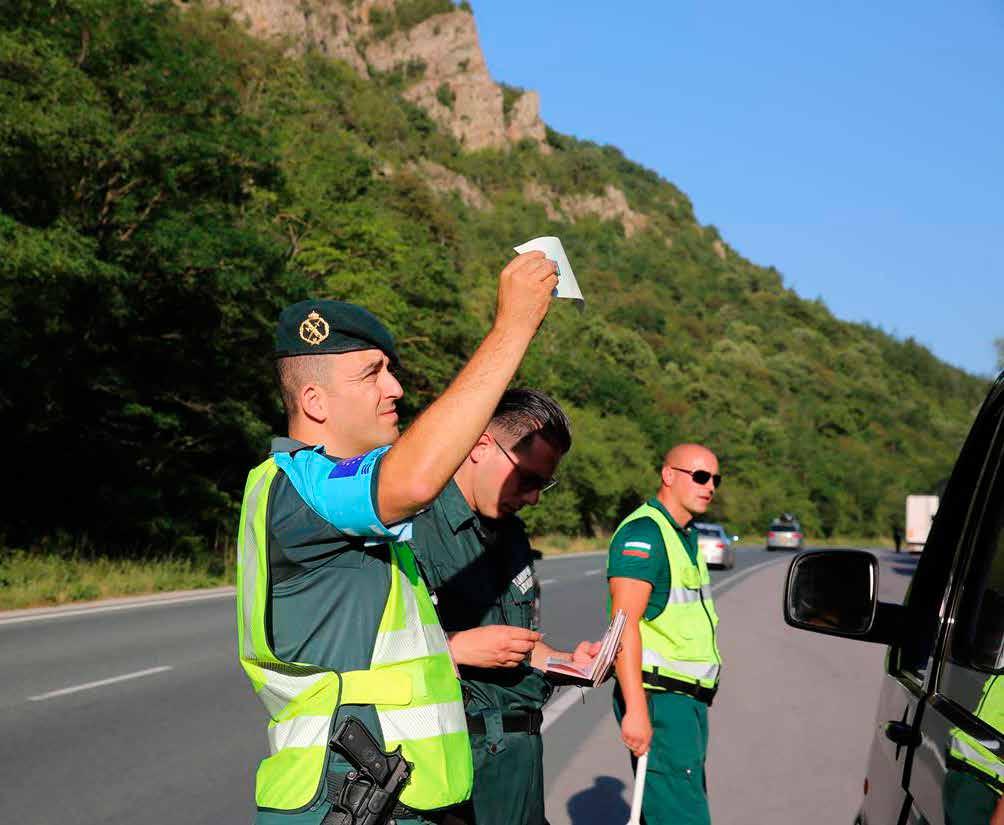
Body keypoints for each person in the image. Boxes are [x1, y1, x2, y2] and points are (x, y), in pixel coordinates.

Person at [234, 252, 558, 825]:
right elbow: (412, 479)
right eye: (373, 373)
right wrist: (512, 328)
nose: (397, 388)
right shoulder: (302, 483)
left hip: (396, 797)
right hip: (346, 801)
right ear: (314, 402)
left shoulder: (347, 512)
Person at [411, 388, 600, 825]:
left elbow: (514, 643)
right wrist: (453, 648)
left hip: (519, 776)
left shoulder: (511, 534)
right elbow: (361, 649)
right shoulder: (413, 527)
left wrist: (567, 663)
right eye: (528, 479)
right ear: (480, 447)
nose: (534, 497)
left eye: (543, 485)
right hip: (454, 781)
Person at [607, 443, 724, 825]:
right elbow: (623, 626)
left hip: (684, 702)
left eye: (715, 479)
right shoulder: (646, 532)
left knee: (668, 811)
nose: (709, 486)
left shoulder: (683, 534)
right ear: (668, 475)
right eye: (700, 476)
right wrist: (637, 711)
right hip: (661, 701)